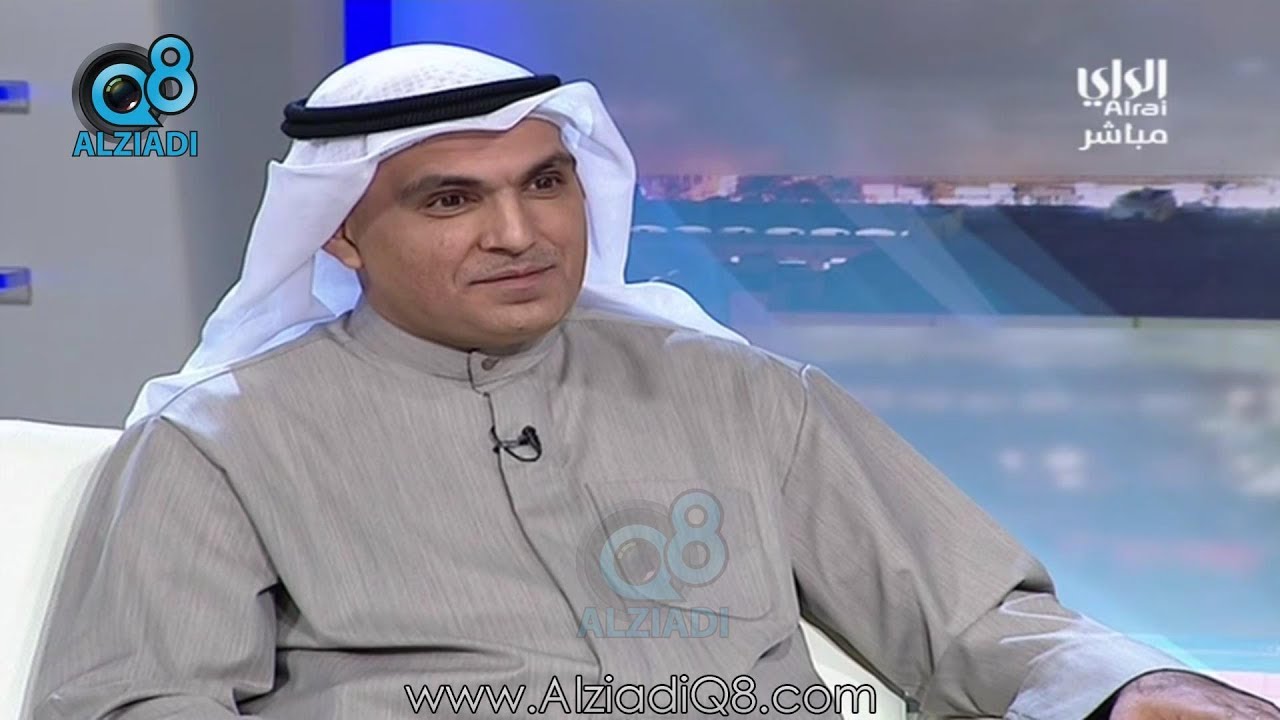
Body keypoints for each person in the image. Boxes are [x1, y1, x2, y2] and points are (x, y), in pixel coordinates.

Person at [24, 43, 1279, 720]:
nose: (518, 234)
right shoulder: (223, 439)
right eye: (451, 200)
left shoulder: (738, 394)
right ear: (340, 234)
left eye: (546, 184)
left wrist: (1136, 687)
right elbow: (136, 701)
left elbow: (966, 617)